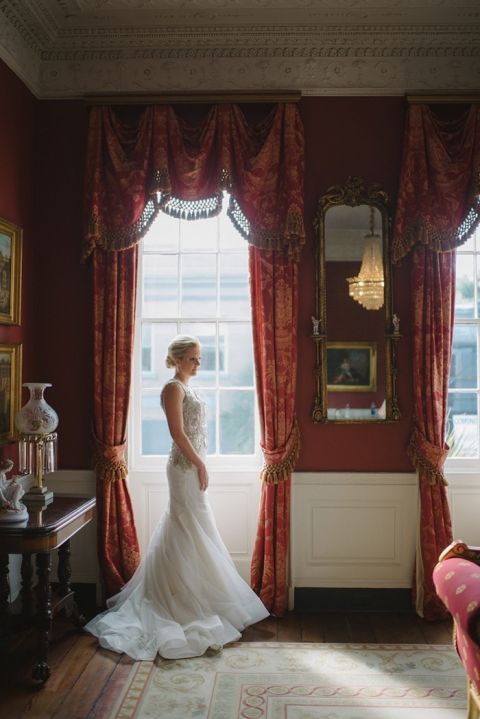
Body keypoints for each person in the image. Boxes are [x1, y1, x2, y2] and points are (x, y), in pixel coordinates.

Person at [85, 335, 269, 660]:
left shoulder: (189, 388)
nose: (199, 364)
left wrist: (202, 461)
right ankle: (177, 601)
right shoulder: (173, 388)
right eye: (194, 358)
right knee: (188, 528)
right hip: (183, 468)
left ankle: (194, 593)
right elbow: (177, 433)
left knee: (190, 530)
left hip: (192, 466)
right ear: (180, 359)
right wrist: (199, 463)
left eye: (199, 358)